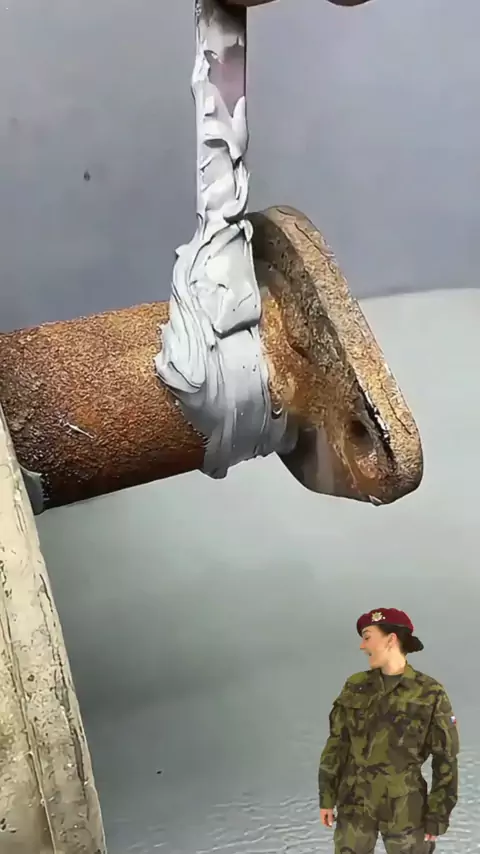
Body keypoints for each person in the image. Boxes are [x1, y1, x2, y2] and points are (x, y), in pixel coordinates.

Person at [318, 608, 459, 853]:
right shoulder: (356, 686)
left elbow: (445, 758)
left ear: (391, 639)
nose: (362, 646)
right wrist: (327, 797)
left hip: (406, 808)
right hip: (355, 805)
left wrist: (438, 815)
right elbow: (337, 744)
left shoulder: (429, 693)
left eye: (367, 637)